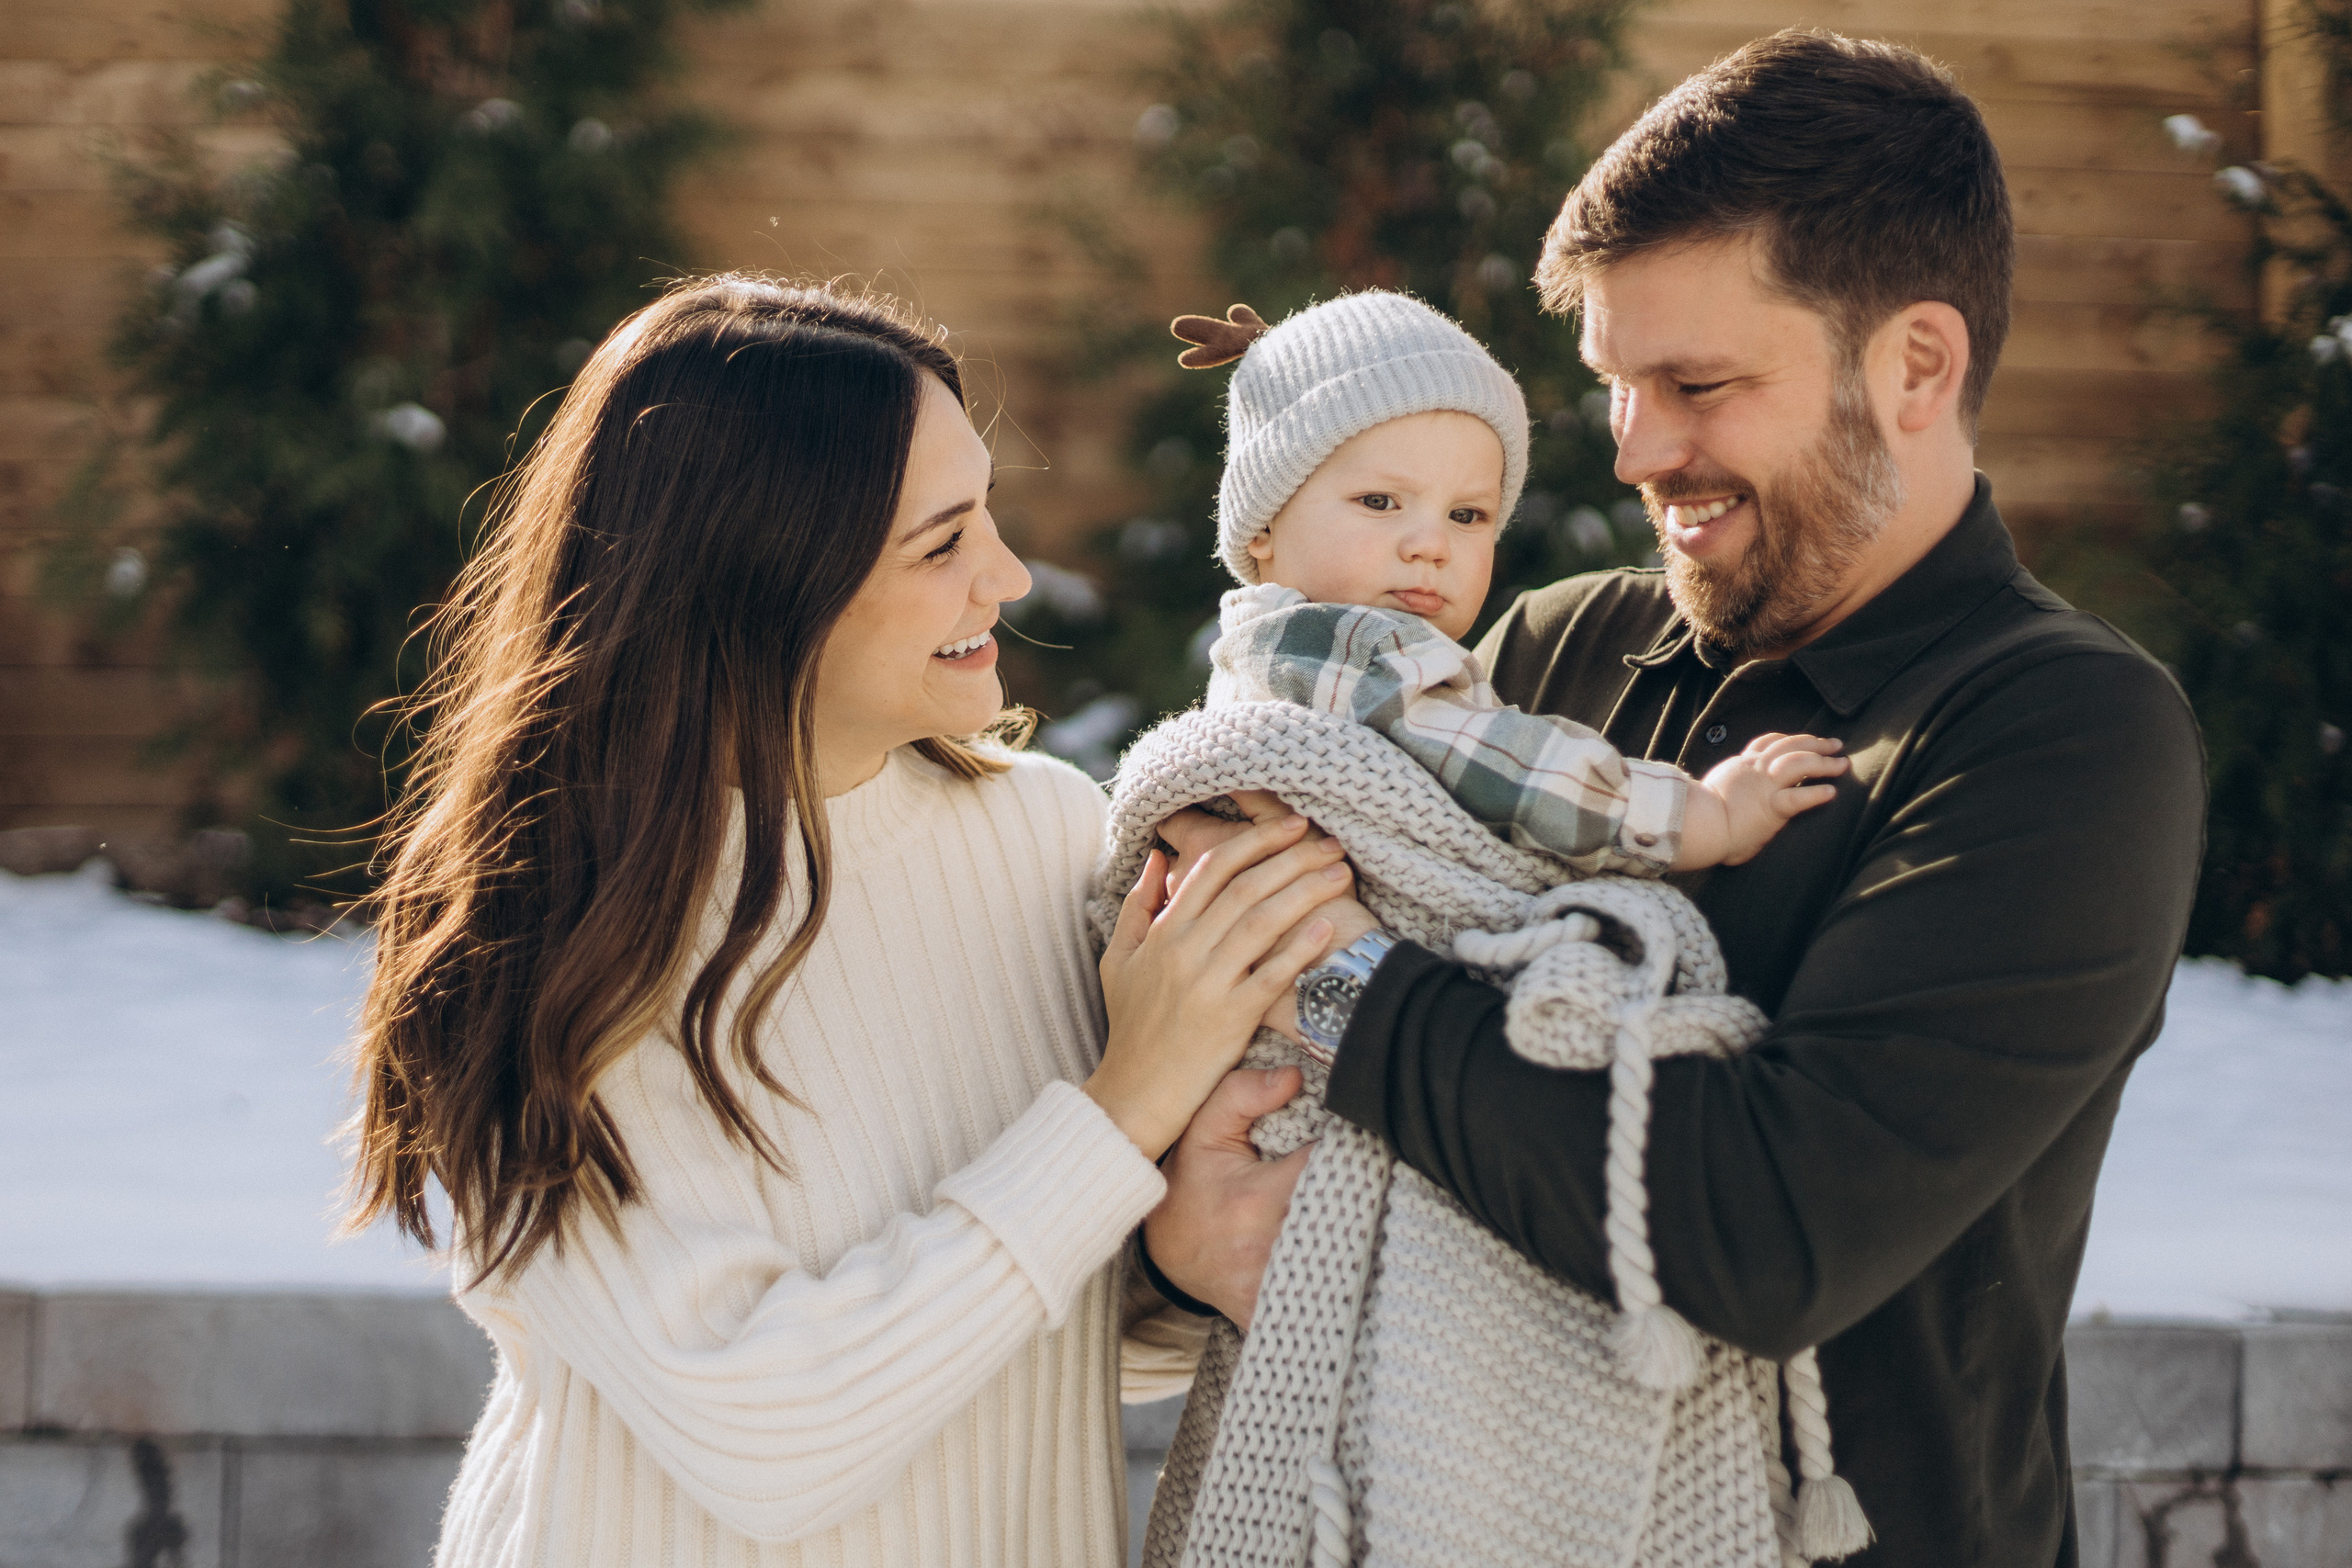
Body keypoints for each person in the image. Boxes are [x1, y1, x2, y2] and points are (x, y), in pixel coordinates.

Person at [1143, 31, 2206, 1567]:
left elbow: (1763, 1228)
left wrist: (1330, 978)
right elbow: (1304, 1112)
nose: (1636, 450)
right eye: (1616, 386)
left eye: (1697, 384)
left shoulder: (2062, 732)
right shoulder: (1548, 649)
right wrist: (1191, 1235)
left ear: (1916, 366)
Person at [344, 276, 1355, 1567]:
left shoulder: (1045, 834)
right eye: (940, 546)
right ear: (757, 582)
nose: (1009, 574)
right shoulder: (560, 926)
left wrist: (1179, 1255)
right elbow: (766, 1434)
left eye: (986, 512)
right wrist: (1126, 1105)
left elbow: (1028, 1328)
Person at [1183, 288, 1849, 883]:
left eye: (1467, 516)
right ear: (1263, 525)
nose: (1431, 545)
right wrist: (1705, 816)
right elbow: (1509, 773)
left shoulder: (1292, 655)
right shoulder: (1333, 650)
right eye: (1380, 502)